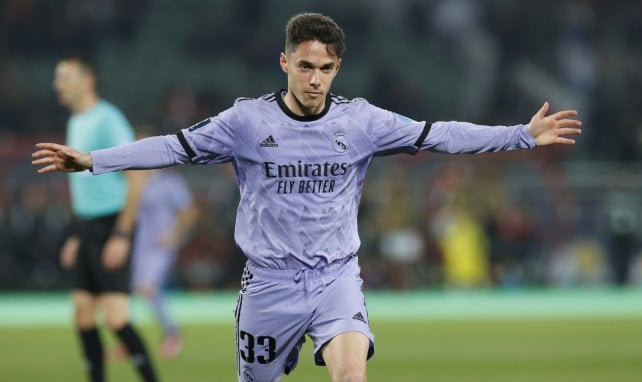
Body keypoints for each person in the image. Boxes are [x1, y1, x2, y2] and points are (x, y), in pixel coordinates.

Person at [34, 13, 581, 382]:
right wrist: (93, 162)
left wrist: (520, 135)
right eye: (305, 66)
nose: (315, 79)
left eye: (325, 68)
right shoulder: (245, 121)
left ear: (337, 68)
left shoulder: (361, 121)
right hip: (268, 283)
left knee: (350, 374)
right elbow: (173, 147)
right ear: (284, 63)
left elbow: (437, 132)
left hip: (335, 276)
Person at [50, 52, 158, 382]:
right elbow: (80, 184)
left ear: (87, 80)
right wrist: (75, 234)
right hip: (86, 227)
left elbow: (136, 176)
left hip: (112, 224)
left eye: (65, 77)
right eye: (58, 78)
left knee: (115, 317)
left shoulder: (108, 119)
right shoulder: (75, 121)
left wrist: (122, 236)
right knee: (83, 315)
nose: (58, 85)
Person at [129, 128, 198, 359]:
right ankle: (128, 340)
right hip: (139, 245)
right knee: (132, 290)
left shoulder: (170, 181)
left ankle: (173, 332)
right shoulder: (134, 181)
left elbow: (189, 211)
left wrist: (174, 234)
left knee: (148, 287)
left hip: (161, 244)